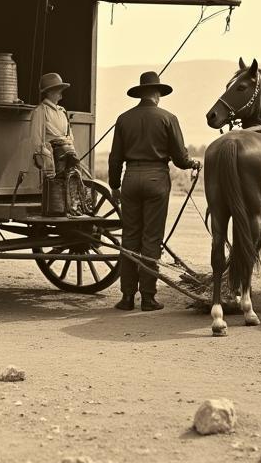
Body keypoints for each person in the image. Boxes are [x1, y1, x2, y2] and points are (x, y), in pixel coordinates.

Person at [108, 70, 200, 312]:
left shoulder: (123, 119)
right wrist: (193, 163)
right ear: (158, 93)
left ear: (141, 93)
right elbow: (180, 158)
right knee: (151, 239)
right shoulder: (168, 117)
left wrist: (114, 186)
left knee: (129, 238)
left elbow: (115, 158)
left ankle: (127, 297)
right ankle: (148, 298)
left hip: (130, 179)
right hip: (156, 179)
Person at [30, 72, 90, 217]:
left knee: (77, 176)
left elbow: (70, 136)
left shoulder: (63, 112)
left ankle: (76, 205)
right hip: (54, 154)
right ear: (49, 92)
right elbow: (36, 139)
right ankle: (60, 207)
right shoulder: (40, 111)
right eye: (58, 91)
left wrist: (71, 148)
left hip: (68, 151)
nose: (61, 95)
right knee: (59, 181)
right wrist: (45, 160)